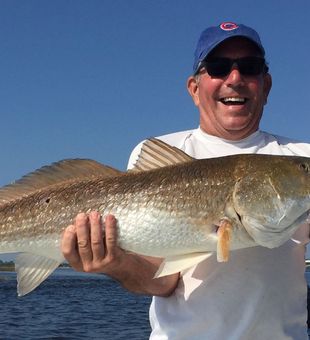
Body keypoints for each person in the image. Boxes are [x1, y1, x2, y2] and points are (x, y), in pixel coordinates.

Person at [61, 22, 310, 339]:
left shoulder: (300, 154)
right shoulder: (162, 154)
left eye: (250, 67)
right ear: (194, 88)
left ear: (266, 85)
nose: (235, 79)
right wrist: (115, 262)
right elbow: (163, 281)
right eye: (219, 68)